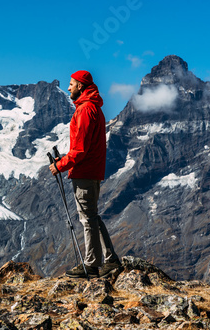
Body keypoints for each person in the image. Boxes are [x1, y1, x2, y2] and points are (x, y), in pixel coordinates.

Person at [49, 70, 122, 278]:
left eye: (71, 84)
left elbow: (80, 149)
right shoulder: (94, 109)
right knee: (92, 216)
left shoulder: (85, 110)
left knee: (87, 219)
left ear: (80, 85)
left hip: (84, 171)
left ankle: (91, 264)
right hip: (91, 170)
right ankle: (110, 260)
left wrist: (60, 165)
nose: (69, 87)